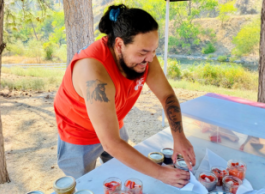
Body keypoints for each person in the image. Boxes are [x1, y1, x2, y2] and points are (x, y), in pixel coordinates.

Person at [54, 4, 196, 188]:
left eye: (154, 50)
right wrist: (161, 173)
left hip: (113, 123)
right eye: (143, 52)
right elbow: (111, 143)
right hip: (77, 133)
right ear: (119, 44)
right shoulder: (94, 71)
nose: (151, 59)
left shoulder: (145, 57)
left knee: (122, 177)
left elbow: (167, 95)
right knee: (85, 187)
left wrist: (179, 137)